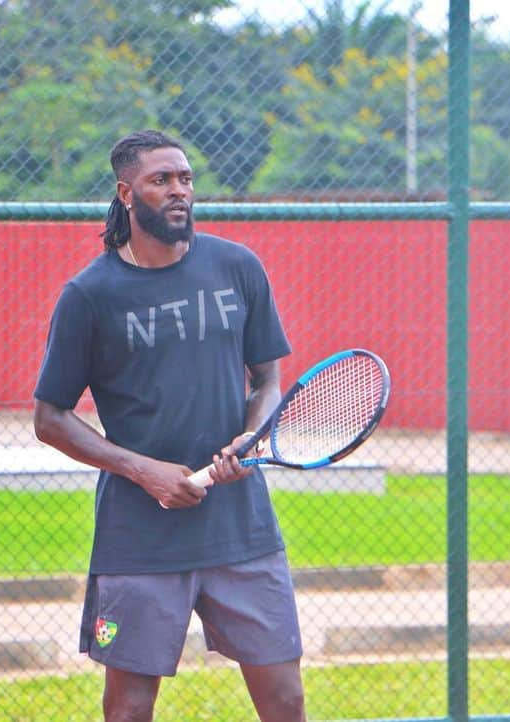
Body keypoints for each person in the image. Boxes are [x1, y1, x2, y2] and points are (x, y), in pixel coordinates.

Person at [33, 129, 306, 722]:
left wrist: (251, 437)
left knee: (285, 699)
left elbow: (267, 380)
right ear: (127, 194)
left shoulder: (237, 267)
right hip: (140, 536)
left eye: (185, 178)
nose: (179, 190)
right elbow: (50, 418)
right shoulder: (89, 295)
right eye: (161, 180)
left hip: (241, 527)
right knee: (130, 707)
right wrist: (143, 470)